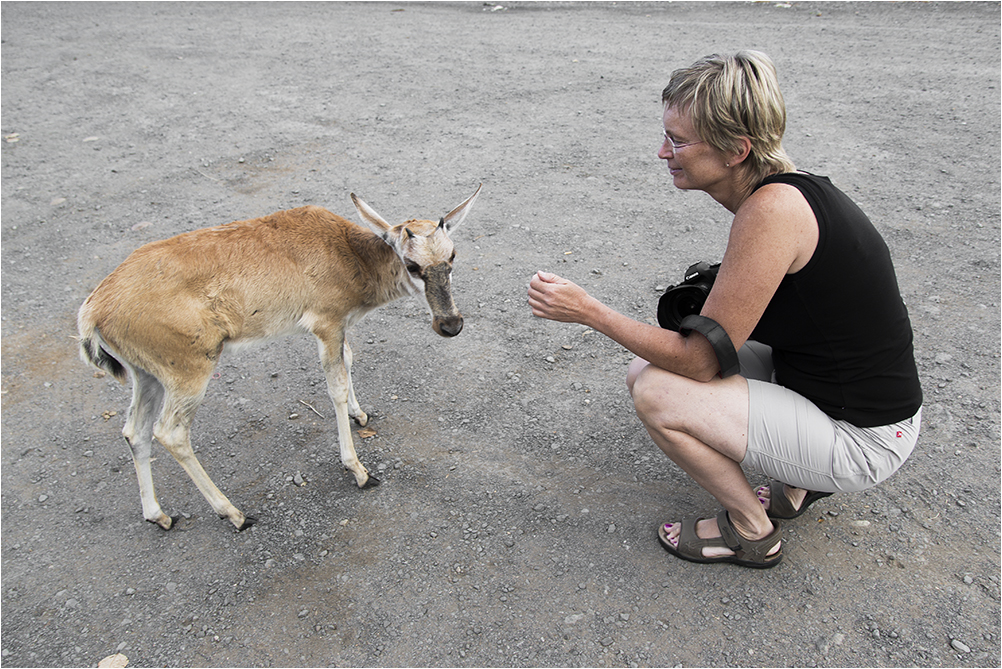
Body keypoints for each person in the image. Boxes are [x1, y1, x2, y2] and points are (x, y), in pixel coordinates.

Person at [527, 51, 922, 569]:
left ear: (737, 149)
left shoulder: (772, 213)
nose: (663, 151)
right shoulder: (792, 190)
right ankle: (798, 483)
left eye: (680, 140)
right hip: (850, 397)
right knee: (651, 365)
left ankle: (751, 532)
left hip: (863, 438)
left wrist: (589, 311)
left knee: (656, 388)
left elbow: (699, 361)